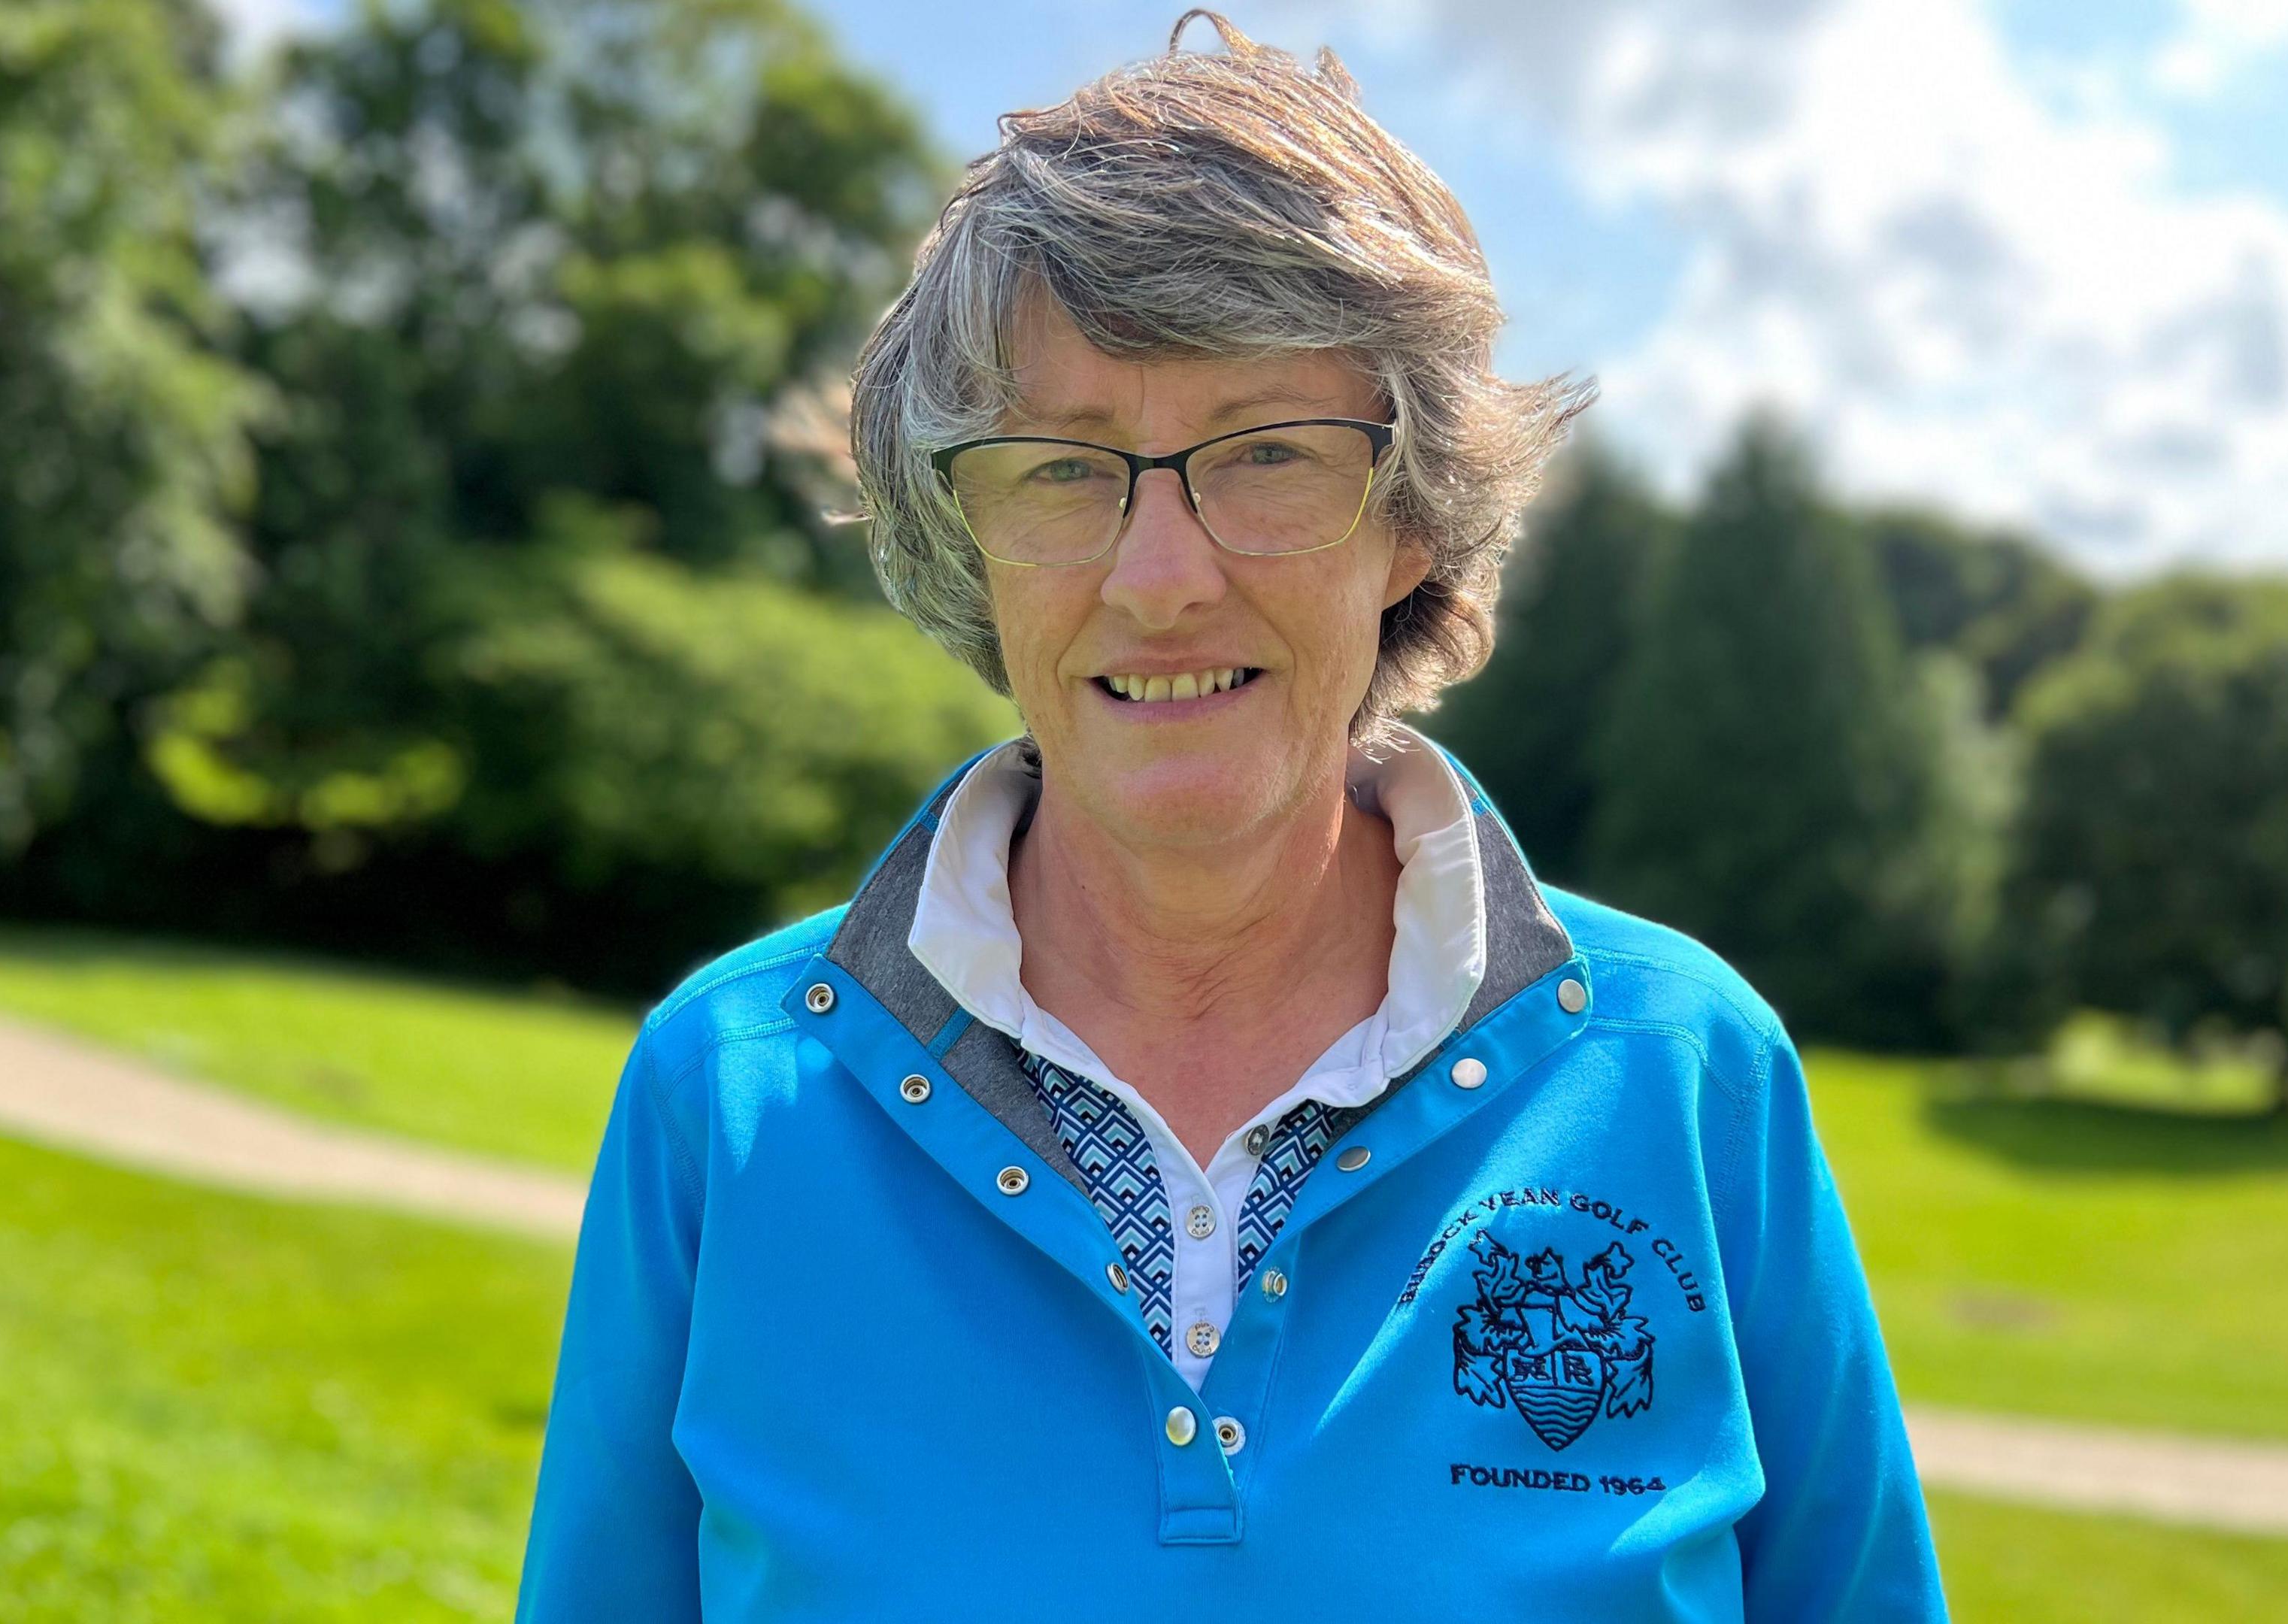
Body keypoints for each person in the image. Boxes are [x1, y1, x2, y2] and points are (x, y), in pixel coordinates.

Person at [517, 11, 1945, 1619]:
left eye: (1265, 453)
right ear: (961, 534)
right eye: (1063, 468)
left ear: (1411, 521)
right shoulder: (728, 1089)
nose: (1162, 577)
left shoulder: (1687, 1076)